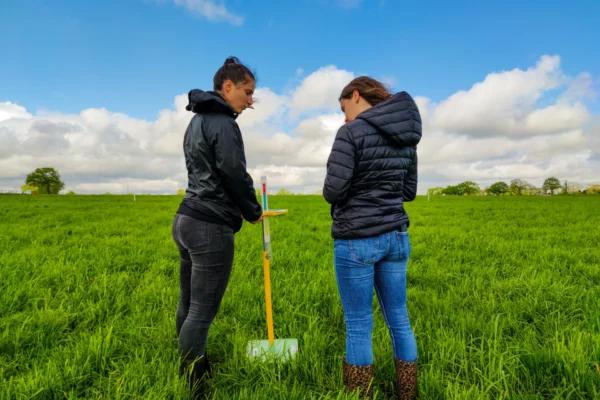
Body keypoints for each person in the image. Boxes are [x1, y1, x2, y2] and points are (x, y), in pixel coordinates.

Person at [323, 76, 422, 399]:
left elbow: (333, 190)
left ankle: (360, 395)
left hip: (356, 240)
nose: (344, 116)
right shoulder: (407, 137)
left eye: (344, 107)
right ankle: (408, 393)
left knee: (358, 324)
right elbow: (408, 191)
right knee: (400, 319)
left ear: (355, 95)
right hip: (396, 237)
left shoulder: (350, 134)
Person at [172, 57, 262, 398]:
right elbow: (233, 171)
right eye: (247, 92)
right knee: (201, 310)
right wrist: (251, 210)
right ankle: (195, 384)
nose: (251, 100)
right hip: (209, 224)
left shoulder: (196, 121)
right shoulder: (223, 122)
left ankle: (187, 363)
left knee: (188, 300)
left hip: (185, 219)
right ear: (227, 87)